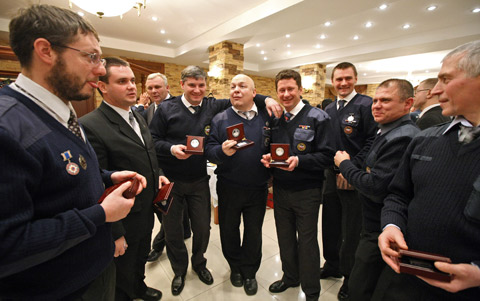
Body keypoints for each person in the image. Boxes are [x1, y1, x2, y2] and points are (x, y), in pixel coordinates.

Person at [0, 5, 146, 300]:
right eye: (90, 56)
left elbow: (60, 172)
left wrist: (108, 175)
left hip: (94, 267)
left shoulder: (59, 109)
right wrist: (101, 215)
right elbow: (8, 244)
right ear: (46, 51)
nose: (101, 69)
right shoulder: (8, 127)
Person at [149, 65, 282, 296]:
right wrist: (171, 149)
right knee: (173, 231)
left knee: (204, 229)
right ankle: (180, 271)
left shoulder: (213, 106)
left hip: (201, 179)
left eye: (201, 85)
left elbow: (245, 94)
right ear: (182, 85)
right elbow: (152, 140)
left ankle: (202, 264)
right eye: (192, 85)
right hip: (172, 180)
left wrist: (268, 98)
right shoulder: (167, 109)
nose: (197, 90)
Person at [377, 40, 480, 300]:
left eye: (445, 79)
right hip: (406, 276)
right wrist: (391, 225)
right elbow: (398, 195)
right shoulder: (425, 140)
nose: (434, 91)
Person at [80, 57, 168, 301]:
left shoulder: (137, 116)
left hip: (145, 206)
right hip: (121, 216)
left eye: (132, 80)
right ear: (103, 87)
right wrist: (115, 232)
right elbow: (95, 181)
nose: (132, 86)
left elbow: (148, 153)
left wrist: (158, 175)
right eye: (122, 81)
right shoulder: (90, 125)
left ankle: (139, 288)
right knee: (122, 267)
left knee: (140, 255)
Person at [333, 79, 419, 300]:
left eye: (386, 100)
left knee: (362, 286)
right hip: (371, 220)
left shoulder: (403, 136)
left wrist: (345, 165)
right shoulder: (386, 130)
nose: (377, 106)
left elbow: (375, 186)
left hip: (382, 227)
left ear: (407, 104)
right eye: (376, 100)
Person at [261, 69, 334, 301]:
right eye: (281, 90)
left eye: (290, 89)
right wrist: (267, 160)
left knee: (307, 242)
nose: (285, 94)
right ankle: (290, 277)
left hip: (308, 191)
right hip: (281, 189)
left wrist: (299, 160)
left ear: (301, 90)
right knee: (284, 238)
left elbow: (327, 156)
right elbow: (273, 150)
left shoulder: (318, 117)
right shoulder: (276, 119)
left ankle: (311, 290)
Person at [205, 74, 271, 295]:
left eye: (242, 86)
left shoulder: (266, 117)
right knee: (229, 230)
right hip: (229, 186)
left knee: (254, 231)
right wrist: (220, 152)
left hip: (257, 187)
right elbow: (209, 149)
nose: (236, 90)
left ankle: (250, 271)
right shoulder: (220, 119)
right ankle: (235, 267)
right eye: (232, 86)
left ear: (254, 93)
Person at [321, 62, 377, 300]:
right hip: (329, 176)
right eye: (338, 79)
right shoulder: (329, 109)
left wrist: (351, 168)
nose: (343, 83)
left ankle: (349, 276)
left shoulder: (366, 105)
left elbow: (373, 141)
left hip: (353, 178)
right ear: (332, 82)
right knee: (330, 225)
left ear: (355, 79)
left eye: (347, 78)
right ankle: (331, 264)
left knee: (351, 230)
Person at [141, 72, 191, 263]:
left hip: (179, 171)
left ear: (168, 87)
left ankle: (159, 245)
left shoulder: (180, 106)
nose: (154, 91)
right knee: (165, 211)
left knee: (169, 213)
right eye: (150, 88)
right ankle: (177, 235)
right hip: (157, 170)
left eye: (158, 87)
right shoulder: (148, 111)